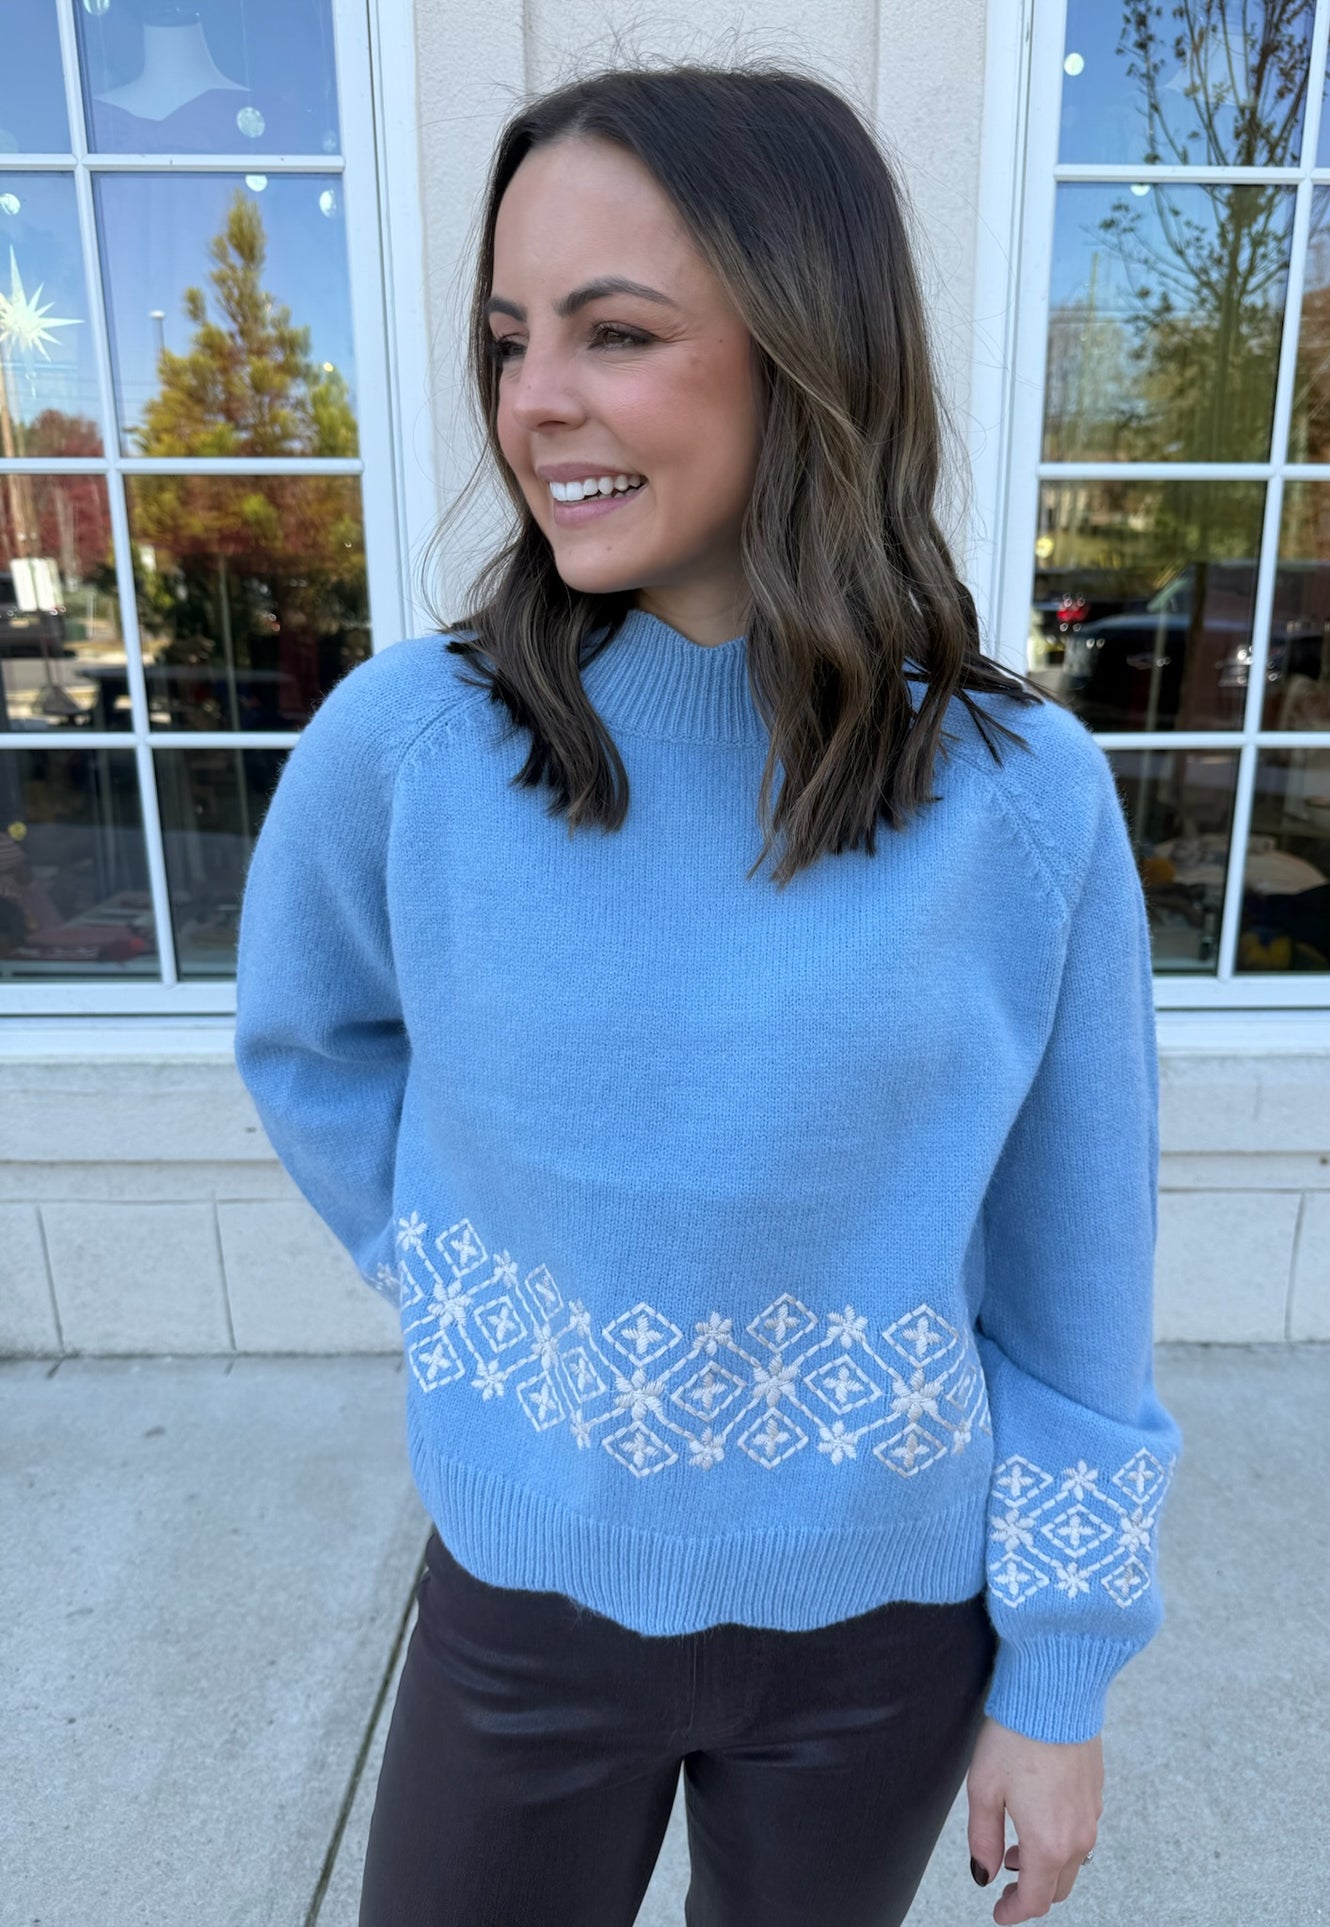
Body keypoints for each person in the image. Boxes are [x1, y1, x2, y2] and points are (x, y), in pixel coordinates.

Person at [232, 60, 1183, 1927]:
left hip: (886, 1642)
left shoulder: (1019, 798)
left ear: (804, 352)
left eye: (617, 331)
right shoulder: (412, 747)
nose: (534, 401)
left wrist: (1058, 1676)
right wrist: (476, 1278)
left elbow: (1081, 1263)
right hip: (524, 1599)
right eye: (511, 338)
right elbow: (311, 1042)